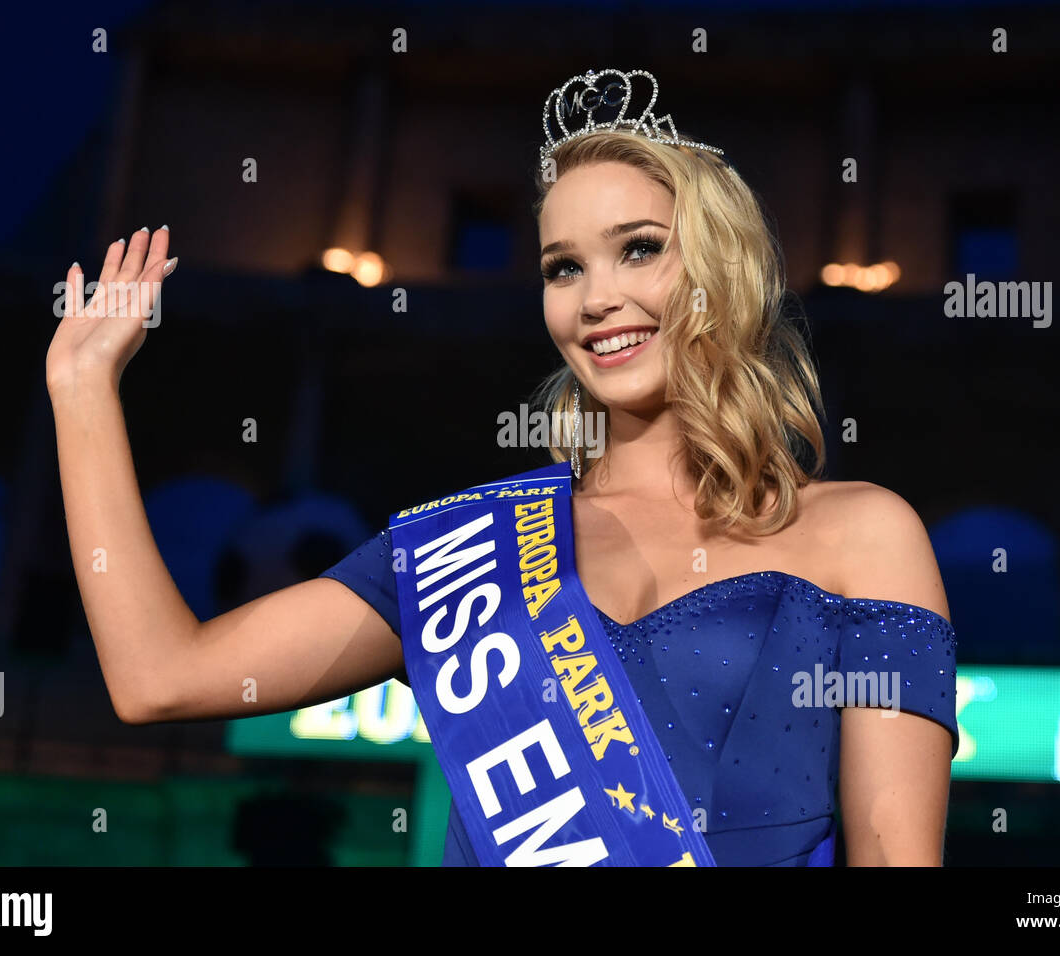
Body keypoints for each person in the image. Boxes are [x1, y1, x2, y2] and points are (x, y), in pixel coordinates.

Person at [46, 68, 957, 868]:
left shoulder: (862, 534)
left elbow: (893, 852)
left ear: (720, 269)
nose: (598, 299)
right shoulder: (469, 550)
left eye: (639, 248)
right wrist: (82, 390)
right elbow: (157, 675)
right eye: (564, 268)